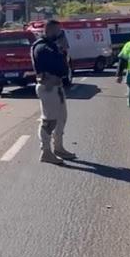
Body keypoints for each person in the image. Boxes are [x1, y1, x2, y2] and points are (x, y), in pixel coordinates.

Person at [31, 20, 76, 165]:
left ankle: (58, 148)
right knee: (49, 121)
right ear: (49, 31)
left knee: (61, 118)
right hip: (48, 87)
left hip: (57, 87)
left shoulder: (52, 46)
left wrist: (62, 50)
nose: (60, 34)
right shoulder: (42, 47)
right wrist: (61, 50)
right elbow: (59, 67)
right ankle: (46, 152)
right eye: (58, 31)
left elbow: (63, 68)